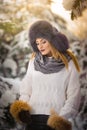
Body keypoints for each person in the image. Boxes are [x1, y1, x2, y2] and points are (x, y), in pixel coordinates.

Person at [10, 20, 81, 130]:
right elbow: (26, 90)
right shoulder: (34, 61)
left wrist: (61, 118)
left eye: (43, 42)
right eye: (37, 43)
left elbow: (74, 96)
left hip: (53, 122)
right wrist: (22, 109)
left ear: (53, 41)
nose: (40, 46)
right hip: (32, 120)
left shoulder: (69, 63)